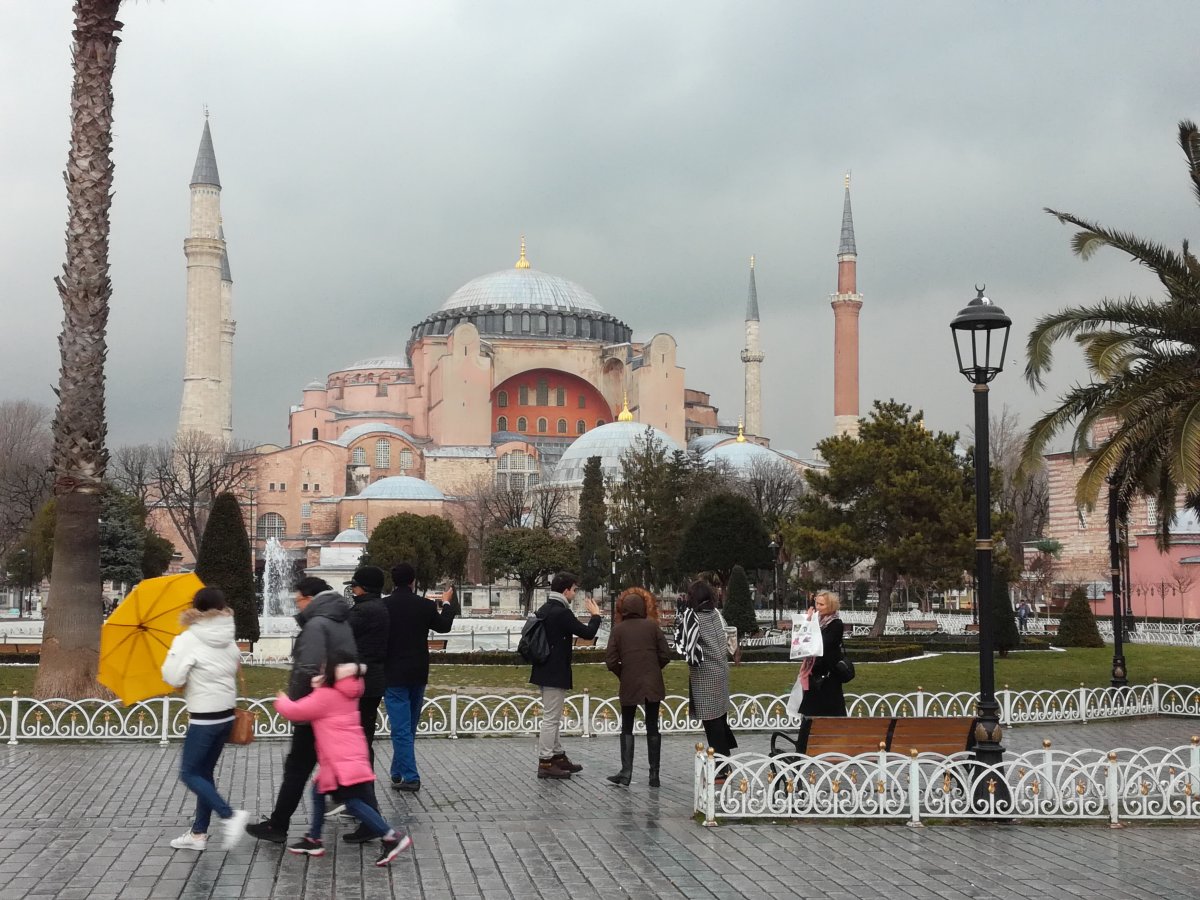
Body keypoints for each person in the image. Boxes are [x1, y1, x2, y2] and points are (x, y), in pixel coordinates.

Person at [246, 577, 358, 844]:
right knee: (332, 772)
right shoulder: (340, 621)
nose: (297, 605)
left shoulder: (316, 625)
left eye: (298, 599)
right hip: (334, 707)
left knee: (297, 769)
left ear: (309, 598)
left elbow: (307, 669)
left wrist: (297, 706)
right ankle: (369, 820)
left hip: (314, 710)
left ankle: (278, 826)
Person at [274, 657, 413, 866]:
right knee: (318, 790)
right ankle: (313, 839)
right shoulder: (348, 690)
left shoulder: (326, 695)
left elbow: (296, 711)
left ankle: (391, 837)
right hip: (350, 756)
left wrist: (282, 700)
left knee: (352, 803)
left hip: (339, 763)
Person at [161, 586, 248, 851]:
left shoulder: (189, 638)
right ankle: (198, 833)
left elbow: (173, 676)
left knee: (189, 773)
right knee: (204, 773)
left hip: (204, 717)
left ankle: (229, 815)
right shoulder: (229, 637)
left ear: (196, 609)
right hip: (226, 715)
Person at [382, 562, 459, 793]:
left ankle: (409, 776)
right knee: (409, 726)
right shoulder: (424, 605)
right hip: (417, 672)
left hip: (393, 673)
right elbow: (444, 626)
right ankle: (398, 771)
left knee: (401, 727)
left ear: (394, 581)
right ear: (413, 581)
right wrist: (447, 602)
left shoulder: (384, 606)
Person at [530, 571, 601, 779]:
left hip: (544, 669)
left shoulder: (545, 608)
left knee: (553, 716)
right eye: (574, 590)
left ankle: (558, 756)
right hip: (555, 671)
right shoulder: (561, 613)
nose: (575, 593)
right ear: (566, 590)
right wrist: (596, 616)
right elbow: (587, 633)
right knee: (551, 718)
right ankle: (545, 762)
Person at [605, 587, 671, 787]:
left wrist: (624, 673)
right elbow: (665, 654)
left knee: (627, 725)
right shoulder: (652, 627)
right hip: (653, 683)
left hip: (629, 683)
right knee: (652, 726)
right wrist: (653, 669)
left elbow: (610, 661)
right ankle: (654, 775)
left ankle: (626, 773)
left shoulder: (618, 630)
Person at [677, 579, 737, 784]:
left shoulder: (694, 618)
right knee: (719, 719)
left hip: (705, 675)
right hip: (721, 671)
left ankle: (722, 768)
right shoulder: (716, 615)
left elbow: (687, 646)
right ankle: (724, 761)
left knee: (712, 722)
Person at [797, 590, 847, 718]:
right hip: (814, 673)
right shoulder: (817, 621)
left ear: (830, 606)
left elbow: (822, 644)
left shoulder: (836, 624)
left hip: (828, 675)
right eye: (817, 603)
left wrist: (810, 623)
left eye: (821, 604)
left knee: (830, 714)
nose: (818, 607)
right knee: (810, 715)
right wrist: (809, 621)